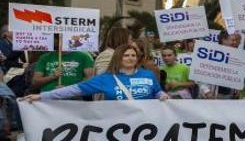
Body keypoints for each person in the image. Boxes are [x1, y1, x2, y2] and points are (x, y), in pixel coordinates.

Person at [22, 43, 168, 102]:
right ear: (118, 58)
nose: (130, 58)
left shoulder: (148, 75)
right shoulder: (105, 79)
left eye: (133, 55)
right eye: (126, 55)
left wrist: (162, 95)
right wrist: (41, 96)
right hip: (116, 126)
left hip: (146, 125)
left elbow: (157, 92)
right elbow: (74, 90)